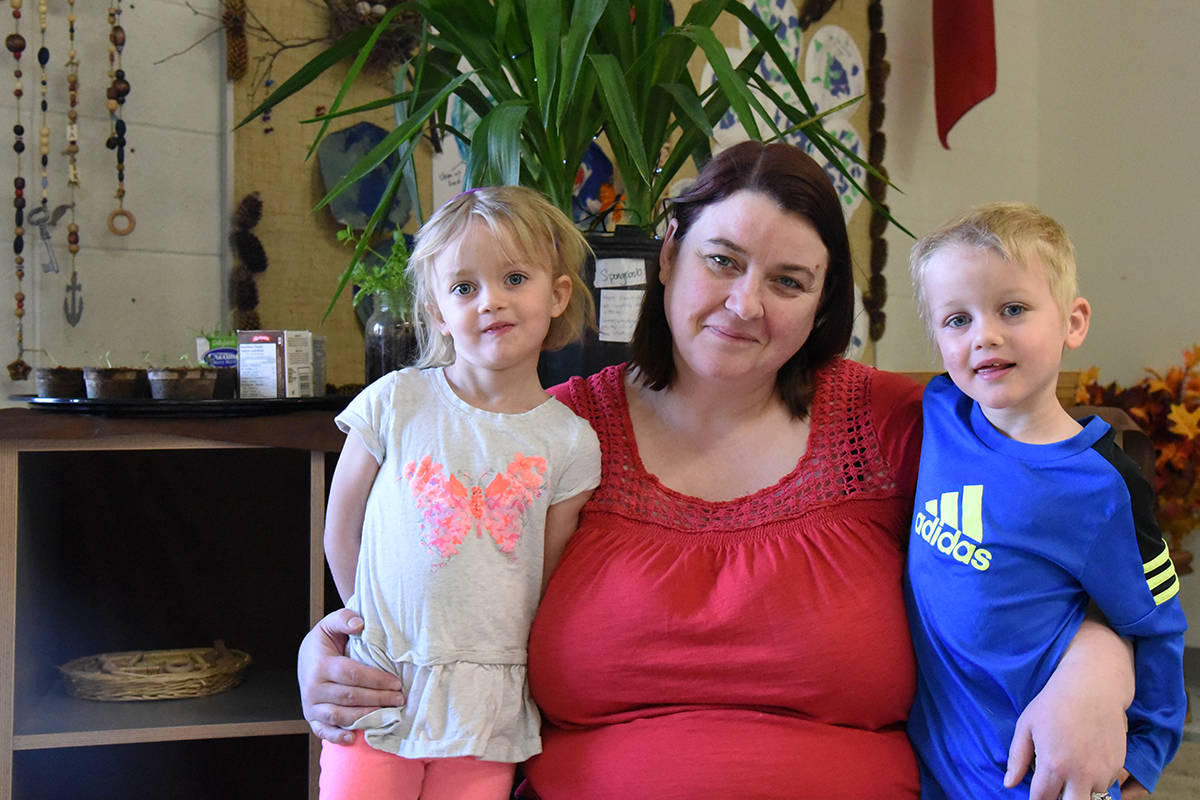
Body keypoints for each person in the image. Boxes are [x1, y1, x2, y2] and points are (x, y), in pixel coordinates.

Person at [299, 141, 1137, 800]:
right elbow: (432, 562)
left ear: (822, 305)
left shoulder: (892, 425)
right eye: (722, 261)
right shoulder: (552, 434)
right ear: (668, 257)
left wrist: (1101, 659)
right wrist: (327, 650)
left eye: (789, 281)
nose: (746, 305)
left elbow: (1075, 504)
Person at [317, 185, 602, 800]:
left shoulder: (570, 442)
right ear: (440, 313)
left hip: (487, 702)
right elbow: (342, 524)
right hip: (383, 683)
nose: (490, 302)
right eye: (464, 287)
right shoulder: (397, 401)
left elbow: (549, 575)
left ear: (556, 295)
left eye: (514, 278)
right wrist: (366, 624)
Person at [903, 202, 1187, 800]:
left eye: (1012, 308)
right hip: (933, 761)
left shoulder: (1100, 485)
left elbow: (1155, 617)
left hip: (1035, 775)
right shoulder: (939, 413)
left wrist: (1146, 756)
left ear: (1072, 322)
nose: (985, 334)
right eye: (957, 320)